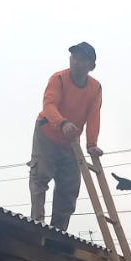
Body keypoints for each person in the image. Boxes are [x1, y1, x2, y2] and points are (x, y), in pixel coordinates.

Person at [29, 42, 103, 231]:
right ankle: (37, 223)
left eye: (82, 59)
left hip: (71, 142)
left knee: (69, 187)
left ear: (91, 66)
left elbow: (94, 115)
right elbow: (49, 105)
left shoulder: (95, 88)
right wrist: (62, 122)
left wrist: (91, 144)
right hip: (47, 133)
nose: (76, 62)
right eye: (74, 57)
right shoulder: (59, 79)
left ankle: (59, 231)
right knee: (40, 176)